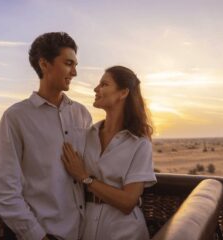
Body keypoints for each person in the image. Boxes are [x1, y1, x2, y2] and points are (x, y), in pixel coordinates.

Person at [0, 32, 92, 240]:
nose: (75, 72)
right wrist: (37, 236)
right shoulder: (16, 117)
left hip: (86, 231)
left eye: (75, 65)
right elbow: (5, 190)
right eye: (68, 63)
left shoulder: (82, 114)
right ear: (44, 64)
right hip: (46, 234)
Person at [61, 66, 156, 240]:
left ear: (123, 93)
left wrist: (85, 177)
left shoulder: (140, 143)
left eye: (104, 84)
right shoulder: (86, 136)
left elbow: (128, 201)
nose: (96, 89)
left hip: (125, 232)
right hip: (86, 228)